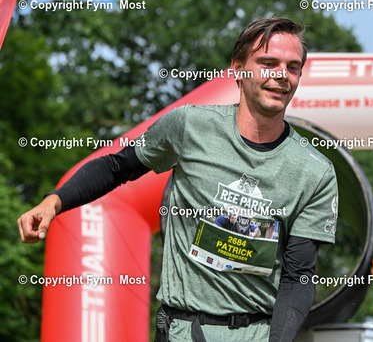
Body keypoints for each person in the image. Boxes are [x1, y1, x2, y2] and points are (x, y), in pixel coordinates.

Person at [17, 17, 339, 342]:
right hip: (180, 330)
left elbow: (298, 278)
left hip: (255, 334)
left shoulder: (316, 172)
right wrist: (53, 202)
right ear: (238, 70)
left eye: (292, 67)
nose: (281, 75)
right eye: (268, 63)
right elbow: (117, 167)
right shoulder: (189, 126)